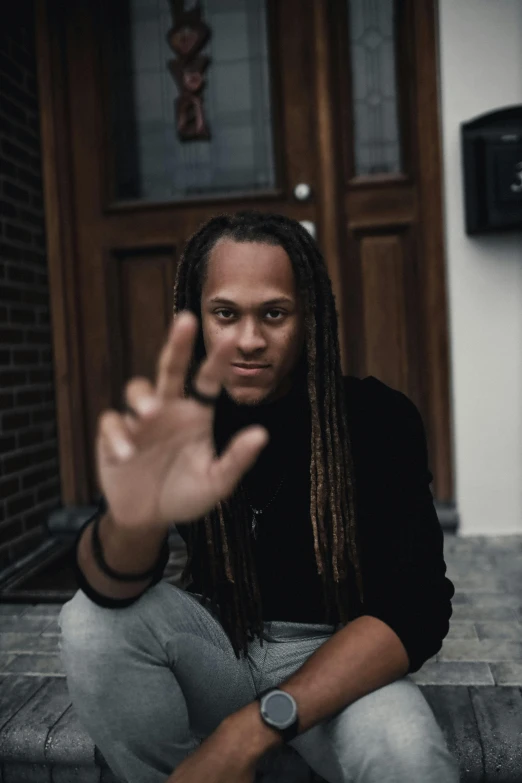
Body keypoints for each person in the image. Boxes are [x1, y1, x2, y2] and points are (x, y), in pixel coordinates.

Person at [58, 211, 459, 783]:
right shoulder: (184, 419)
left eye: (274, 313)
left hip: (337, 658)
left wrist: (248, 730)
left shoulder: (376, 418)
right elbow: (109, 587)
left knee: (408, 757)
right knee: (90, 624)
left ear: (308, 317)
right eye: (226, 314)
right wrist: (137, 514)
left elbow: (416, 607)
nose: (248, 340)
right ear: (198, 320)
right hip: (220, 642)